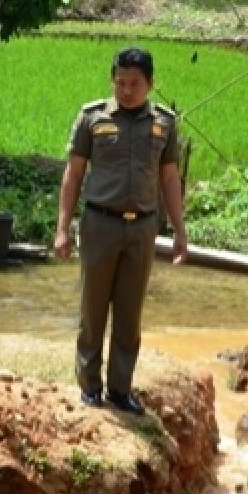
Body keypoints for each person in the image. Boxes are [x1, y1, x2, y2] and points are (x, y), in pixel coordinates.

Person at [53, 47, 189, 416]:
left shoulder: (164, 123)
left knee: (130, 312)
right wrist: (62, 228)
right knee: (94, 307)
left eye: (135, 84)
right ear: (113, 80)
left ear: (150, 84)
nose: (127, 90)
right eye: (120, 82)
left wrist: (179, 229)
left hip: (142, 226)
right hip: (100, 223)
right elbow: (74, 174)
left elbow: (170, 178)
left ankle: (121, 388)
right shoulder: (91, 118)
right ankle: (90, 386)